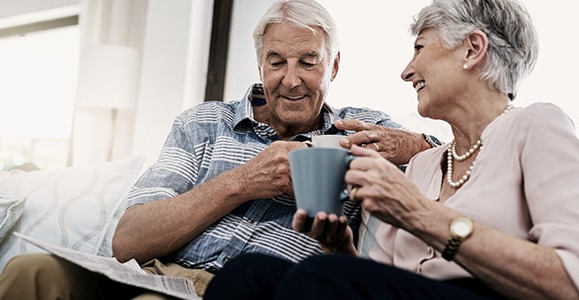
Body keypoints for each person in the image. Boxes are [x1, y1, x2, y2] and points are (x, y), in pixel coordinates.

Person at [0, 0, 439, 299]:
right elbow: (128, 240)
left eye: (309, 61)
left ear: (334, 65)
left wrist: (413, 143)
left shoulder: (357, 128)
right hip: (151, 271)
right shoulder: (204, 123)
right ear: (260, 65)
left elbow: (452, 152)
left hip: (239, 290)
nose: (292, 78)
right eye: (276, 62)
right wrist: (244, 181)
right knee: (30, 272)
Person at [203, 0, 579, 299]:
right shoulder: (425, 165)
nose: (407, 71)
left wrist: (417, 212)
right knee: (249, 274)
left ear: (472, 49)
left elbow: (569, 281)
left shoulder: (536, 126)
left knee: (320, 278)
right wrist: (340, 251)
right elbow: (377, 280)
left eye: (419, 48)